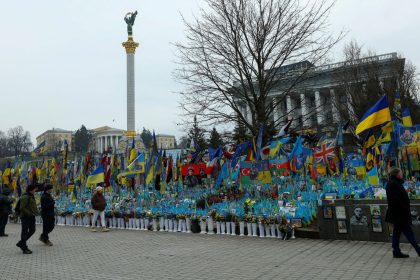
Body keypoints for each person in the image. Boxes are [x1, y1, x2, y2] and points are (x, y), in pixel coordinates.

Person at [385, 167, 420, 258]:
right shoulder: (394, 184)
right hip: (400, 214)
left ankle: (396, 251)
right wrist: (404, 208)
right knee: (409, 233)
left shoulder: (394, 183)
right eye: (401, 173)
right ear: (397, 174)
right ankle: (418, 250)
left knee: (396, 233)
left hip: (397, 214)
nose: (402, 174)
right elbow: (396, 200)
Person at [16, 184, 39, 254]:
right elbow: (22, 208)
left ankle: (21, 243)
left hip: (31, 216)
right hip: (25, 217)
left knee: (32, 230)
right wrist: (29, 213)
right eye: (35, 189)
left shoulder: (31, 196)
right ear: (31, 190)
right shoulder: (25, 197)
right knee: (25, 232)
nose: (35, 190)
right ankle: (24, 248)